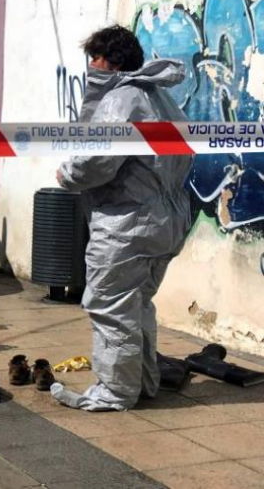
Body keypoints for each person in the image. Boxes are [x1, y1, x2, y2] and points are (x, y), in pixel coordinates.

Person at [51, 25, 194, 412]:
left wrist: (68, 176)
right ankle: (143, 383)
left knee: (109, 305)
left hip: (127, 224)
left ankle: (115, 392)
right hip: (166, 221)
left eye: (94, 59)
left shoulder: (121, 99)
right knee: (138, 305)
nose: (90, 68)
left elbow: (98, 159)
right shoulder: (160, 97)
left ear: (108, 61)